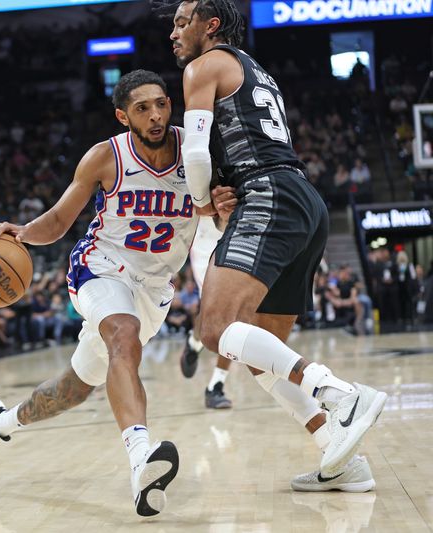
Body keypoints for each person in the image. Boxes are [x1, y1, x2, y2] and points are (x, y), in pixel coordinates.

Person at [0, 70, 236, 516]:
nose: (156, 115)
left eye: (161, 104)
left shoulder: (197, 151)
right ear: (123, 115)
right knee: (123, 337)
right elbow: (59, 220)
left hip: (153, 288)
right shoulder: (104, 157)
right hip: (99, 267)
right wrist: (22, 233)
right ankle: (140, 459)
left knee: (73, 388)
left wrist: (223, 212)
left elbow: (216, 220)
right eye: (143, 108)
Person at [161, 0, 385, 490]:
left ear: (210, 25)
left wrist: (203, 201)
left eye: (182, 23)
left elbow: (196, 151)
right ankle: (339, 456)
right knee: (261, 350)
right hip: (302, 198)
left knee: (217, 328)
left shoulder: (204, 65)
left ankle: (343, 394)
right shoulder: (254, 69)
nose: (173, 33)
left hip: (268, 195)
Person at [178, 216, 234, 408]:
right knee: (215, 309)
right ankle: (194, 343)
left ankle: (215, 386)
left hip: (238, 229)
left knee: (232, 314)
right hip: (207, 234)